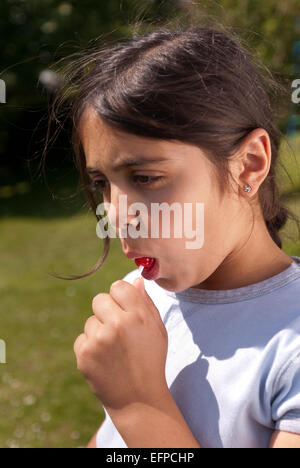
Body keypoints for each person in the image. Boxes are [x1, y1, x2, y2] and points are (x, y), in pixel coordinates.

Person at [49, 24, 300, 448]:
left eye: (145, 177)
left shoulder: (288, 345)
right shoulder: (142, 302)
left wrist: (136, 403)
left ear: (249, 165)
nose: (117, 215)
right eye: (102, 184)